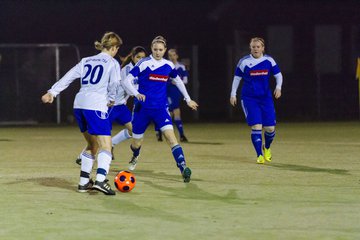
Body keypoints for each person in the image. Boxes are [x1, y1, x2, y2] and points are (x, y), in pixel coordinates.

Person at [41, 32, 122, 195]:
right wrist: (112, 98)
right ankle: (100, 180)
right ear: (113, 47)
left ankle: (84, 183)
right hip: (96, 105)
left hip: (79, 104)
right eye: (117, 49)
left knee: (93, 145)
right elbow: (114, 83)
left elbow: (69, 76)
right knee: (106, 145)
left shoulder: (86, 60)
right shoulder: (112, 63)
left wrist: (52, 92)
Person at [122, 36, 198, 182]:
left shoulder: (168, 65)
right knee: (136, 143)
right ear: (151, 49)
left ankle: (183, 168)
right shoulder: (144, 63)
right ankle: (135, 155)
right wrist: (136, 94)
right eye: (155, 49)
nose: (158, 52)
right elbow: (127, 81)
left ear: (165, 50)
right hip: (142, 110)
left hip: (160, 109)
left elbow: (178, 82)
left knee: (171, 139)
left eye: (161, 50)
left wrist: (188, 99)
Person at [75, 46, 146, 165]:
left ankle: (112, 143)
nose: (140, 60)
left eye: (143, 58)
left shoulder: (142, 70)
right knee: (98, 135)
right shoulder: (127, 69)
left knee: (134, 131)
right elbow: (129, 89)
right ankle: (82, 156)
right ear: (133, 57)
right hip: (111, 105)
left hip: (121, 107)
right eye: (138, 57)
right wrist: (141, 93)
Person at [230, 37, 283, 164]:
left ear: (263, 48)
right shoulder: (244, 62)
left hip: (266, 98)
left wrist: (278, 87)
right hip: (249, 98)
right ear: (250, 48)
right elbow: (237, 78)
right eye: (253, 47)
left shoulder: (269, 60)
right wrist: (233, 94)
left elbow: (278, 75)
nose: (255, 49)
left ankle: (267, 147)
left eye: (258, 47)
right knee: (257, 126)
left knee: (270, 128)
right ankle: (259, 154)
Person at [155, 48, 189, 142]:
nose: (172, 57)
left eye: (174, 55)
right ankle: (181, 135)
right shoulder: (166, 66)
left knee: (172, 113)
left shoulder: (181, 67)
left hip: (176, 92)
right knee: (172, 112)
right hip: (166, 92)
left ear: (177, 56)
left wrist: (176, 81)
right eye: (170, 55)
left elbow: (185, 80)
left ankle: (159, 131)